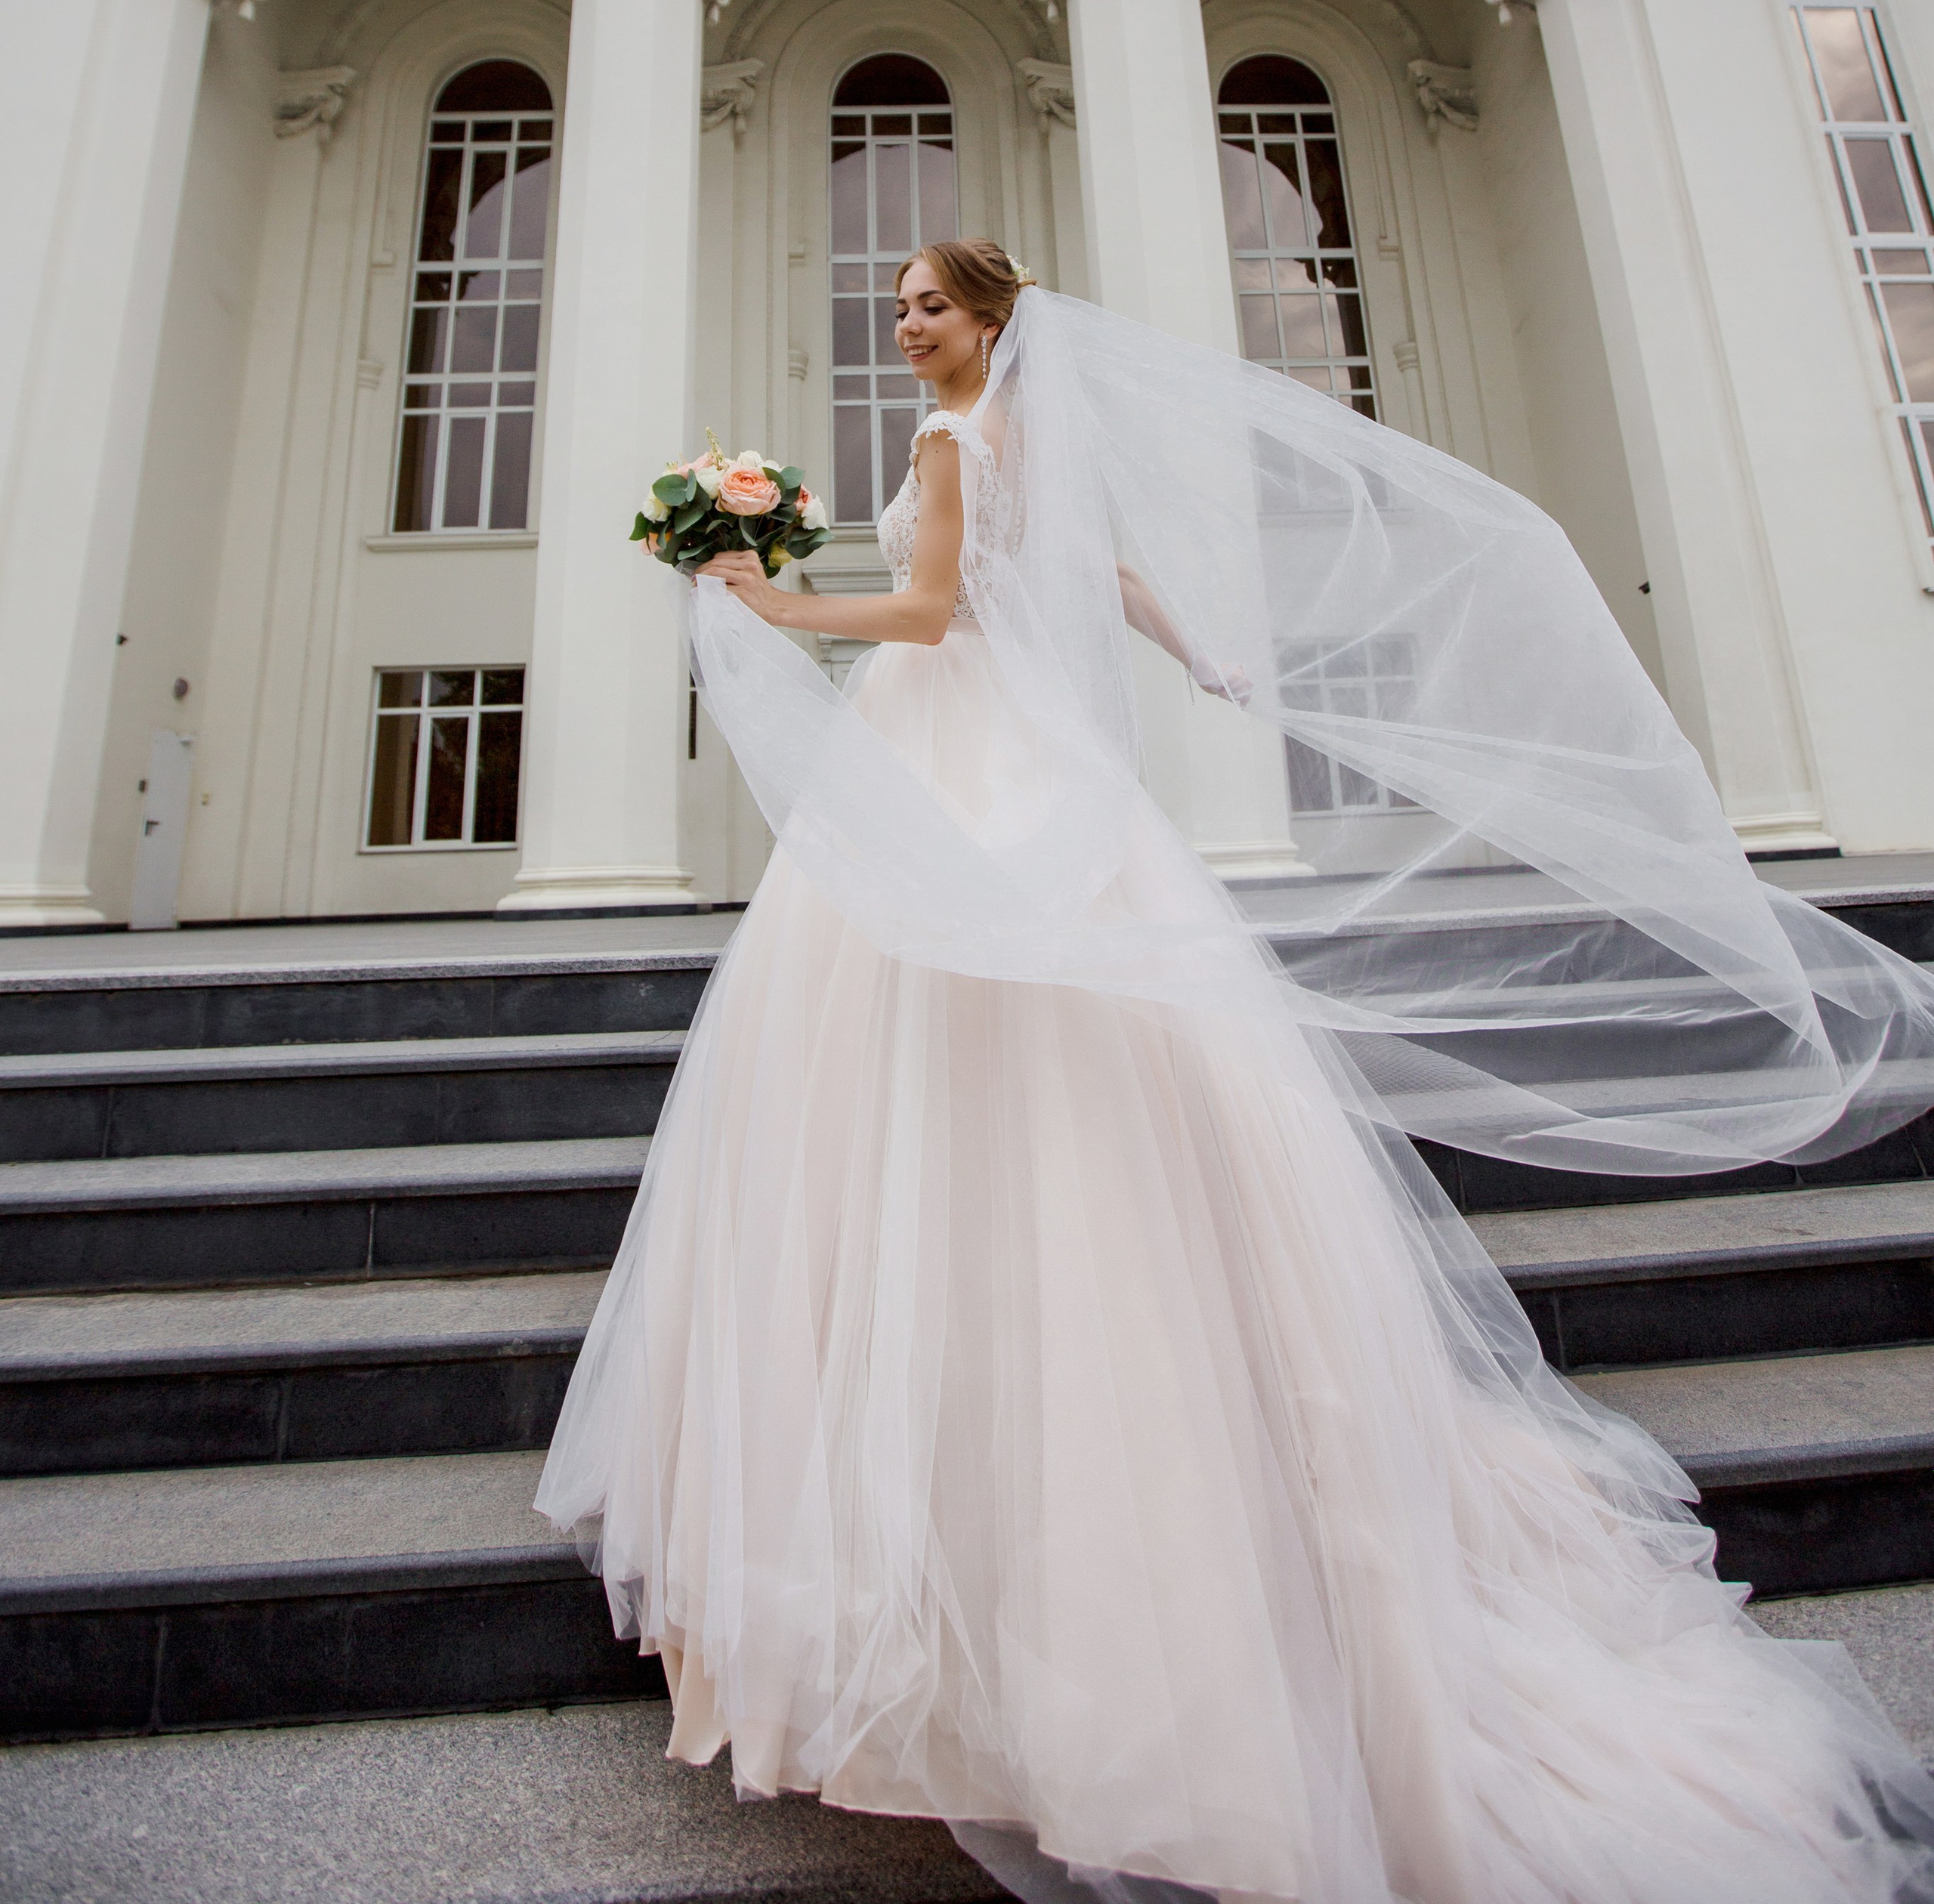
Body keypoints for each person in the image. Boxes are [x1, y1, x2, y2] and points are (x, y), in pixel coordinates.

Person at [538, 240, 1934, 1903]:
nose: (904, 326)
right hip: (1027, 761)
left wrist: (772, 605)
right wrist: (1193, 645)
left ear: (990, 320)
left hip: (950, 747)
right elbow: (1092, 568)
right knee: (1095, 1042)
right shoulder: (1026, 439)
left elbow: (923, 608)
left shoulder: (939, 444)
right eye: (896, 307)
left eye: (929, 306)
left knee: (916, 1041)